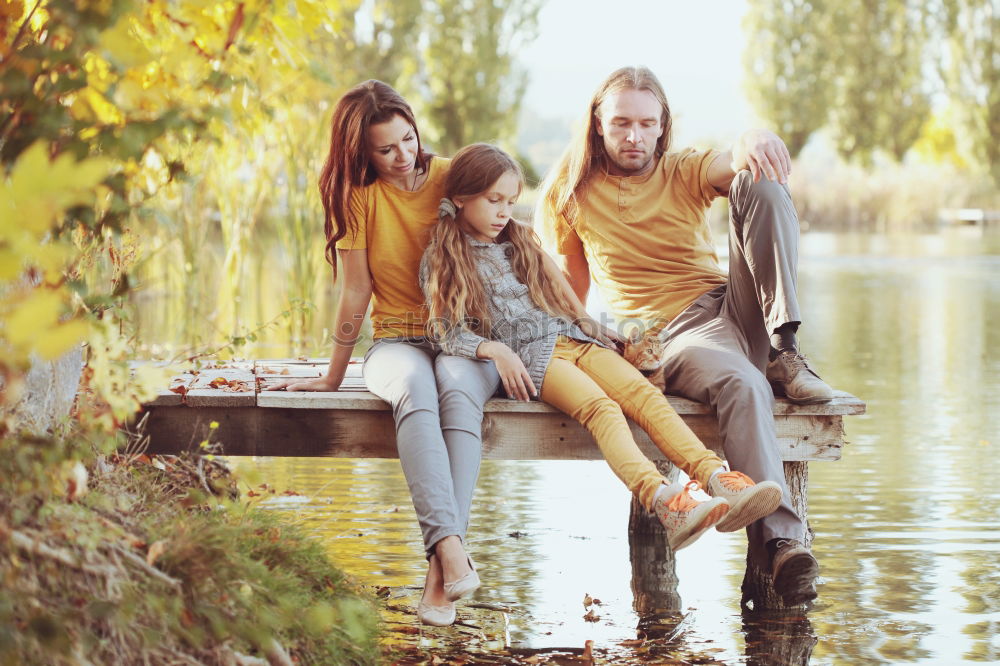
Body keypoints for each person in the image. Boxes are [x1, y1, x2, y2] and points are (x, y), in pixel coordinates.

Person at [535, 66, 834, 607]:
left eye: (646, 124)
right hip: (677, 334)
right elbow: (570, 292)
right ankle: (783, 543)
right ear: (598, 126)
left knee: (761, 180)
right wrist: (560, 351)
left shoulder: (681, 169)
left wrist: (752, 140)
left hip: (739, 307)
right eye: (621, 123)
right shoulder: (571, 193)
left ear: (661, 125)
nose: (634, 136)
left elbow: (731, 163)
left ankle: (786, 348)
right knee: (743, 384)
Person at [420, 143, 783, 555]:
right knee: (602, 409)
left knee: (644, 395)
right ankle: (667, 502)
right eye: (494, 201)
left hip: (574, 339)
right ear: (461, 199)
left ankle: (719, 479)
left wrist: (586, 321)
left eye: (511, 201)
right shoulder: (443, 256)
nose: (504, 212)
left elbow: (556, 280)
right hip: (536, 359)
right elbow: (443, 331)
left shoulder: (517, 237)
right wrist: (493, 351)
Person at [265, 80, 498, 627]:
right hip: (396, 339)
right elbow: (354, 291)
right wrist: (331, 377)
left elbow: (506, 240)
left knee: (458, 389)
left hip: (465, 335)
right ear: (360, 152)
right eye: (385, 148)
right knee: (415, 388)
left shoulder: (452, 179)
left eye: (408, 139)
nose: (403, 156)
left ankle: (441, 571)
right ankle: (450, 550)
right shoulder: (359, 198)